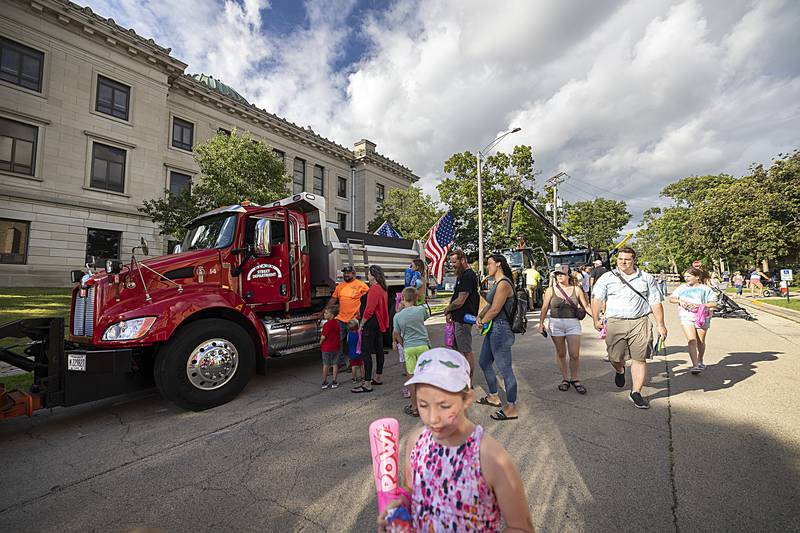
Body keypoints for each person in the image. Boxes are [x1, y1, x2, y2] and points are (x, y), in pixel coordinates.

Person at [377, 348, 534, 532]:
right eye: (423, 405)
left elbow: (521, 527)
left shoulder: (491, 458)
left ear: (467, 398)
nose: (433, 418)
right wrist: (399, 507)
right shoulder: (416, 442)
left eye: (444, 406)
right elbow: (412, 489)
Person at [591, 247, 667, 409]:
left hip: (640, 321)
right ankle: (619, 370)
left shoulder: (646, 278)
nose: (623, 262)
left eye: (627, 259)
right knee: (615, 357)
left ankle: (636, 392)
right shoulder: (607, 278)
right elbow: (597, 299)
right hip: (615, 322)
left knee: (639, 358)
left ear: (634, 260)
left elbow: (655, 302)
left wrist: (661, 324)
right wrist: (596, 319)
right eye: (620, 259)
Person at [475, 254, 520, 421]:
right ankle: (494, 396)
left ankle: (511, 407)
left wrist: (482, 322)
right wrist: (481, 315)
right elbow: (489, 306)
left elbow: (495, 309)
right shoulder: (497, 283)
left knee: (505, 369)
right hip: (494, 328)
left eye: (490, 263)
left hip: (501, 329)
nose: (488, 267)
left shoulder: (504, 284)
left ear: (499, 264)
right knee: (484, 362)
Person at [539, 264, 591, 394]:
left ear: (568, 275)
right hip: (556, 323)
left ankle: (575, 378)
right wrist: (541, 323)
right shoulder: (550, 290)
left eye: (561, 274)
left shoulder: (576, 289)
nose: (559, 276)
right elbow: (545, 307)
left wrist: (597, 319)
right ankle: (565, 379)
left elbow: (586, 306)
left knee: (574, 354)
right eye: (557, 274)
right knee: (561, 353)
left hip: (573, 323)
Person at [670, 268, 718, 374]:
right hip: (686, 316)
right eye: (685, 276)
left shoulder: (705, 289)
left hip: (701, 317)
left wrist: (701, 305)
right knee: (692, 340)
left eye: (689, 276)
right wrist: (680, 301)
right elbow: (671, 298)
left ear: (697, 277)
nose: (686, 278)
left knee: (700, 341)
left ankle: (700, 360)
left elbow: (714, 303)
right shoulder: (681, 288)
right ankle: (695, 365)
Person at [393, 287, 431, 417]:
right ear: (415, 298)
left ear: (403, 299)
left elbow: (396, 333)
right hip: (423, 346)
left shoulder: (398, 316)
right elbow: (426, 316)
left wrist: (403, 344)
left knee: (412, 379)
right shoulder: (421, 310)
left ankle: (414, 407)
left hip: (409, 348)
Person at [442, 249, 480, 379]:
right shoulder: (461, 275)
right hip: (458, 318)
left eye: (454, 262)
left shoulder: (468, 276)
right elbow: (456, 296)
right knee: (457, 350)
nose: (452, 265)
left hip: (464, 319)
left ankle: (468, 381)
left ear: (462, 260)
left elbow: (461, 300)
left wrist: (448, 309)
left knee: (466, 350)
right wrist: (451, 312)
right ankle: (461, 376)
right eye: (451, 262)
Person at [351, 265, 389, 393]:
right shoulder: (383, 288)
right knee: (379, 350)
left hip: (371, 323)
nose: (367, 276)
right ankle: (378, 376)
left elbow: (369, 310)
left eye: (369, 274)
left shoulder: (374, 289)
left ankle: (367, 383)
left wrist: (362, 324)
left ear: (373, 276)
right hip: (378, 323)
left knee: (365, 351)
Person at [327, 266, 369, 370]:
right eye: (345, 273)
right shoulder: (339, 286)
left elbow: (368, 299)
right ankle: (340, 362)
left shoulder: (361, 285)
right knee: (338, 341)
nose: (346, 275)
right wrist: (323, 312)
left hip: (353, 319)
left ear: (353, 274)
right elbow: (333, 300)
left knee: (353, 342)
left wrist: (361, 312)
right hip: (341, 319)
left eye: (348, 273)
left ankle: (354, 363)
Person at [319, 309, 340, 389]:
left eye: (326, 313)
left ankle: (324, 382)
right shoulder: (337, 323)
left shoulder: (327, 325)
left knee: (326, 364)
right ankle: (334, 381)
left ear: (332, 315)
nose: (324, 314)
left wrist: (320, 342)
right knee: (335, 364)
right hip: (336, 347)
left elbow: (323, 337)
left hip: (327, 347)